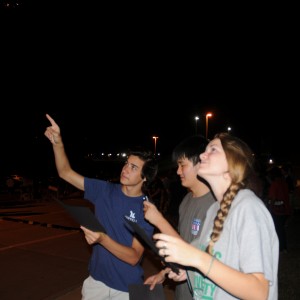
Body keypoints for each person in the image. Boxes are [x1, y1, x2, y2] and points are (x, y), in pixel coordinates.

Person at [44, 114, 158, 300]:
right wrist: (57, 143)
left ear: (145, 178)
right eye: (126, 164)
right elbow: (65, 173)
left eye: (134, 168)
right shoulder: (104, 190)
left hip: (128, 287)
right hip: (96, 281)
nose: (125, 169)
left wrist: (103, 239)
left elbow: (134, 257)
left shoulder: (147, 209)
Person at [153, 132, 279, 300]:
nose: (203, 155)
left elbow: (258, 292)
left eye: (213, 150)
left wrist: (196, 258)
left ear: (232, 162)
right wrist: (189, 272)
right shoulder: (213, 209)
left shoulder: (248, 207)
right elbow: (216, 265)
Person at [143, 135, 216, 300]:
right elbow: (185, 245)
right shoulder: (186, 201)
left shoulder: (215, 205)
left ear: (200, 163)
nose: (178, 171)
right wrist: (164, 272)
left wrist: (159, 220)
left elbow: (201, 257)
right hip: (182, 292)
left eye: (182, 165)